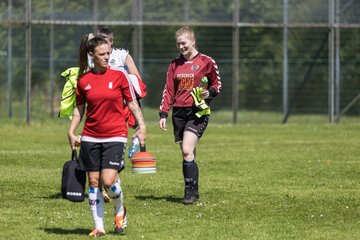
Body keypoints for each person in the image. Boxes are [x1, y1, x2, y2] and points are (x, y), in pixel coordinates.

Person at [68, 34, 146, 237]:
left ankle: (120, 211)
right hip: (90, 136)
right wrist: (71, 131)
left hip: (115, 135)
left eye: (108, 53)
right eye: (102, 54)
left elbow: (132, 104)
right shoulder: (83, 81)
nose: (107, 57)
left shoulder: (120, 76)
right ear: (91, 55)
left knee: (108, 181)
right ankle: (99, 226)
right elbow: (79, 110)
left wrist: (142, 126)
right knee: (93, 182)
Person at [158, 27, 222, 205]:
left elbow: (217, 85)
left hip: (197, 112)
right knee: (188, 153)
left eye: (184, 43)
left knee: (187, 149)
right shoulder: (174, 64)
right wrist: (164, 113)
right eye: (178, 44)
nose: (181, 46)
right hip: (179, 112)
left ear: (193, 41)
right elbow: (169, 90)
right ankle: (194, 191)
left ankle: (188, 193)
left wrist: (209, 93)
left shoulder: (206, 61)